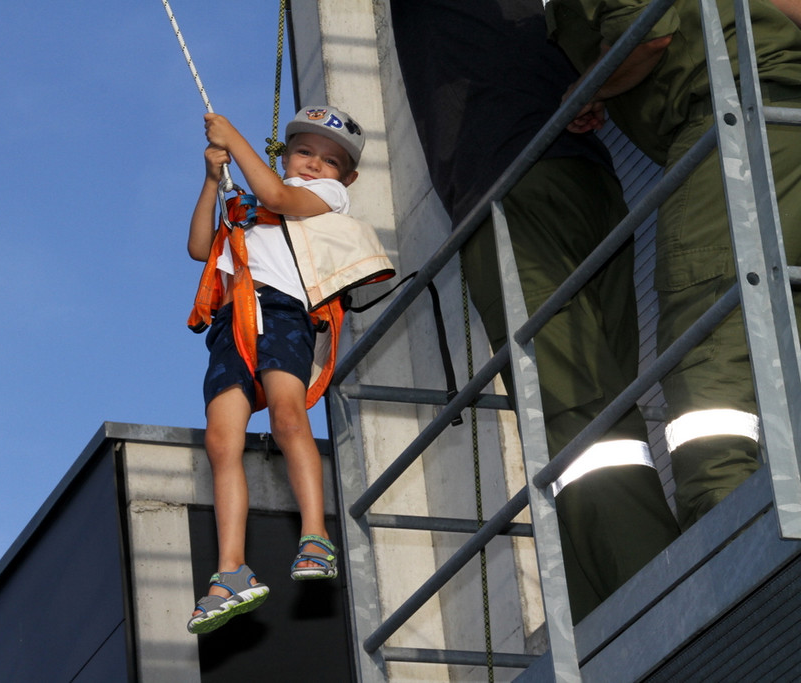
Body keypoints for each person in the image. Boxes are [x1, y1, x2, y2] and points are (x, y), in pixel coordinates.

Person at [391, 0, 681, 623]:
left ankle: (659, 593)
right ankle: (598, 619)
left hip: (512, 193)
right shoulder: (535, 13)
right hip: (585, 183)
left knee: (573, 416)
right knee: (599, 408)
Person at [547, 0, 801, 528]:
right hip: (783, 111)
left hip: (733, 120)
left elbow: (646, 36)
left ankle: (726, 523)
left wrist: (589, 87)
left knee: (706, 326)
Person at [184, 105, 365, 634]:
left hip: (284, 310)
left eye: (330, 161)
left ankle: (315, 536)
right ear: (284, 155)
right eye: (304, 151)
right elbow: (199, 248)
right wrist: (213, 179)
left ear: (345, 178)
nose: (314, 164)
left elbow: (282, 198)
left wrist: (233, 138)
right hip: (232, 319)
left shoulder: (324, 198)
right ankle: (231, 571)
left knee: (287, 417)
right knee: (221, 441)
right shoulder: (248, 205)